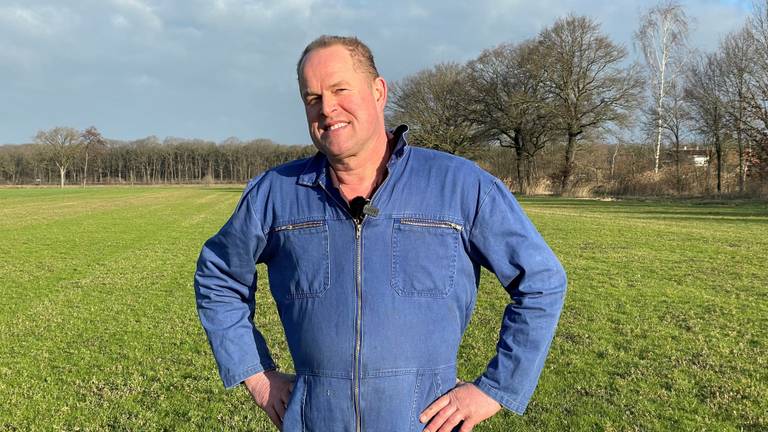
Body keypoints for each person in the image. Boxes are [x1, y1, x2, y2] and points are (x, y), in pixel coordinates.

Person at [194, 35, 567, 432]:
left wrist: (495, 389)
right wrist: (256, 374)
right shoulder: (275, 194)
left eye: (340, 90)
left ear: (378, 91)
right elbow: (218, 277)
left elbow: (541, 282)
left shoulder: (461, 186)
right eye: (312, 98)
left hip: (423, 422)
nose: (327, 109)